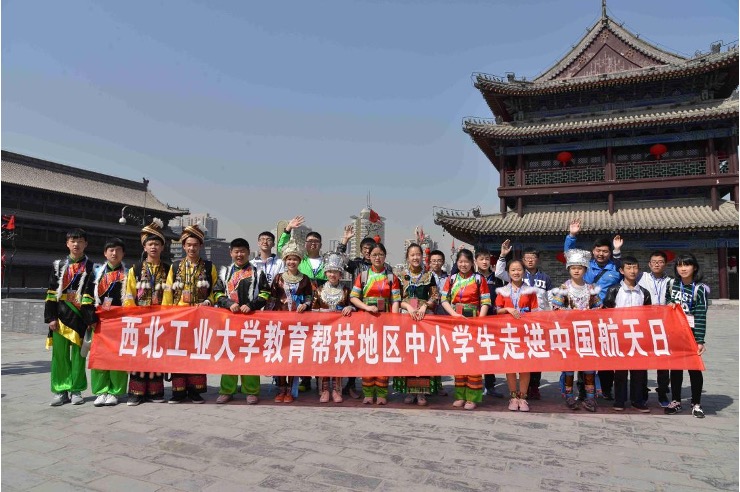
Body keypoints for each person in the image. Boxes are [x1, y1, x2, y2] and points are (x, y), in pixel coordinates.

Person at [564, 218, 623, 401]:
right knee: (584, 353)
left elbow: (627, 273)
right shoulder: (586, 266)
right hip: (584, 317)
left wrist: (617, 251)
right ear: (593, 251)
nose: (601, 254)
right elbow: (569, 255)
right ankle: (582, 389)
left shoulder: (616, 268)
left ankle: (606, 388)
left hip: (607, 316)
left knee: (606, 353)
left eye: (605, 251)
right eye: (598, 250)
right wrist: (572, 235)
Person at [163, 225, 218, 404]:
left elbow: (215, 290)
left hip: (200, 317)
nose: (192, 248)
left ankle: (195, 391)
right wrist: (167, 314)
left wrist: (208, 302)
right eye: (189, 245)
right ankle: (178, 391)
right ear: (184, 246)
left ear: (200, 246)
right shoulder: (175, 266)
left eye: (195, 245)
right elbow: (168, 291)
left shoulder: (209, 267)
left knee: (196, 353)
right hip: (179, 317)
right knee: (178, 353)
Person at [213, 238, 270, 405]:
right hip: (229, 321)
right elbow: (217, 294)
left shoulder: (257, 273)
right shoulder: (224, 273)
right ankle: (226, 390)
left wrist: (251, 306)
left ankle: (251, 391)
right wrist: (229, 304)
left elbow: (266, 293)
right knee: (229, 354)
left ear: (248, 252)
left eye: (242, 251)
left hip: (250, 321)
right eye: (236, 251)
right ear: (231, 253)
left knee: (249, 355)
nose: (239, 254)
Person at [44, 228, 97, 406]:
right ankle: (60, 390)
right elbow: (51, 292)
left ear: (86, 244)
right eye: (73, 241)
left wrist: (90, 319)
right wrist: (50, 317)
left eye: (80, 241)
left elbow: (90, 294)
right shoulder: (58, 265)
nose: (76, 244)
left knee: (78, 356)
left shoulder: (91, 267)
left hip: (80, 316)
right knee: (59, 357)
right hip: (59, 315)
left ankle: (76, 390)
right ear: (67, 243)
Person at [496, 240, 553, 400]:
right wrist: (502, 256)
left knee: (534, 358)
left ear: (537, 259)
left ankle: (532, 388)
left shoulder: (545, 278)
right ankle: (515, 393)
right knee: (513, 361)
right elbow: (500, 273)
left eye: (533, 257)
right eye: (527, 257)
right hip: (511, 328)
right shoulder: (515, 278)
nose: (530, 260)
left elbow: (549, 299)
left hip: (535, 323)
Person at [278, 216, 326, 392]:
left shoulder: (326, 262)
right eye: (310, 241)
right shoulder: (300, 261)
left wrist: (343, 241)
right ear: (305, 244)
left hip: (322, 307)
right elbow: (281, 249)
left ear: (321, 245)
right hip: (302, 309)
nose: (313, 244)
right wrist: (287, 230)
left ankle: (322, 379)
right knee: (303, 343)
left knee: (320, 343)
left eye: (316, 241)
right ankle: (304, 379)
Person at [550, 248, 602, 412]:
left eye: (580, 267)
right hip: (570, 333)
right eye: (573, 267)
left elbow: (599, 308)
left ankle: (590, 397)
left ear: (585, 269)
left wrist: (590, 314)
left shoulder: (591, 288)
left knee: (588, 367)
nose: (577, 270)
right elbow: (556, 308)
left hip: (587, 333)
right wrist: (570, 313)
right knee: (569, 366)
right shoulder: (564, 287)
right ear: (569, 270)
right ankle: (569, 395)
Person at [123, 219, 169, 406]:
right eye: (150, 244)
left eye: (157, 244)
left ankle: (156, 392)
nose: (154, 247)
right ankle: (136, 392)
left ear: (162, 247)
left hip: (160, 319)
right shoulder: (135, 269)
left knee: (157, 353)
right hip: (140, 319)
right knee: (139, 354)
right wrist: (133, 314)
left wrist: (166, 314)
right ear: (144, 246)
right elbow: (129, 293)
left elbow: (170, 292)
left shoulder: (168, 269)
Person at [440, 249, 491, 410]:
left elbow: (485, 301)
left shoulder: (478, 279)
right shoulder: (451, 279)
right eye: (460, 262)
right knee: (459, 360)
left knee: (473, 361)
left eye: (466, 262)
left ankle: (473, 397)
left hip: (473, 323)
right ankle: (460, 395)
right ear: (457, 263)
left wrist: (480, 321)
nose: (463, 265)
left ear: (472, 263)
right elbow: (444, 299)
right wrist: (454, 315)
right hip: (456, 323)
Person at [350, 242, 401, 405]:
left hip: (385, 321)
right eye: (374, 255)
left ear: (385, 256)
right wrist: (366, 307)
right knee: (367, 356)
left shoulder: (392, 277)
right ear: (369, 257)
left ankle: (381, 393)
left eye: (380, 254)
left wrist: (393, 320)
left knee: (383, 357)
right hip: (366, 320)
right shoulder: (363, 276)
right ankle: (367, 392)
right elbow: (353, 297)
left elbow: (395, 300)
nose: (377, 258)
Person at [602, 256, 652, 413]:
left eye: (635, 267)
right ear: (621, 271)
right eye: (629, 268)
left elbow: (649, 314)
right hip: (620, 336)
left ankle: (638, 401)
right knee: (620, 371)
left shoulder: (644, 292)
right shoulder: (614, 290)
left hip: (638, 337)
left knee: (639, 371)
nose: (632, 271)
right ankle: (619, 400)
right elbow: (606, 312)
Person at [394, 243, 441, 406]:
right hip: (407, 317)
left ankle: (422, 392)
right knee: (408, 354)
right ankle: (409, 390)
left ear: (422, 256)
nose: (415, 257)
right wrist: (407, 306)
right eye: (412, 255)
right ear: (407, 257)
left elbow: (435, 296)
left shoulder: (429, 275)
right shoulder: (399, 275)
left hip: (424, 317)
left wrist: (424, 306)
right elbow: (396, 299)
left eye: (418, 254)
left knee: (423, 354)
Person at [663, 253, 708, 418]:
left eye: (687, 265)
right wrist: (669, 304)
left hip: (691, 334)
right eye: (680, 265)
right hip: (675, 333)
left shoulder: (699, 289)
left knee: (694, 369)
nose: (683, 268)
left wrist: (700, 340)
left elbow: (701, 315)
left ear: (694, 267)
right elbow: (667, 300)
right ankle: (675, 401)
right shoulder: (672, 284)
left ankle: (696, 403)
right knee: (675, 369)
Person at [269, 238, 313, 403]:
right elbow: (272, 299)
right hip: (280, 324)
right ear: (285, 260)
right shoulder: (278, 278)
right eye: (289, 259)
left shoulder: (305, 279)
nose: (291, 261)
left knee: (293, 357)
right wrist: (268, 317)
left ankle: (291, 388)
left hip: (298, 324)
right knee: (281, 356)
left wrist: (305, 304)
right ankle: (281, 389)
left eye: (294, 259)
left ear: (299, 261)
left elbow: (310, 297)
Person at [335, 226, 376, 398]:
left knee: (373, 347)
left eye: (370, 249)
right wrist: (345, 241)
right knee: (354, 348)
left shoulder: (385, 268)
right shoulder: (356, 265)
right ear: (361, 250)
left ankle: (374, 384)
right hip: (356, 309)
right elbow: (339, 260)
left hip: (376, 312)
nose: (367, 251)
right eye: (365, 249)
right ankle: (350, 385)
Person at [494, 259, 539, 412]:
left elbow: (535, 311)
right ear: (508, 273)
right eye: (513, 270)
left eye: (519, 269)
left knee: (525, 366)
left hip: (525, 332)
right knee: (511, 365)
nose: (516, 272)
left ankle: (523, 397)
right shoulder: (502, 291)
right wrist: (507, 309)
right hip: (508, 332)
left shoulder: (530, 291)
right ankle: (513, 397)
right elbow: (497, 309)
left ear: (524, 272)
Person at [312, 251, 354, 404]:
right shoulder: (319, 290)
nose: (332, 274)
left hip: (340, 332)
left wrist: (350, 308)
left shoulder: (346, 290)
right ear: (326, 272)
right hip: (323, 331)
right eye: (329, 271)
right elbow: (313, 310)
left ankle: (337, 389)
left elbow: (353, 305)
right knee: (323, 359)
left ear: (340, 273)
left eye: (335, 272)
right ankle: (324, 390)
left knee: (337, 359)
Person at [90, 238, 128, 407]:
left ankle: (115, 391)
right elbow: (87, 296)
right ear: (105, 253)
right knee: (100, 356)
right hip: (100, 320)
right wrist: (90, 318)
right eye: (111, 250)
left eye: (118, 250)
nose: (114, 253)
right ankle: (101, 391)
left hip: (120, 321)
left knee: (118, 356)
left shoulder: (128, 274)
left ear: (123, 253)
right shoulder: (96, 273)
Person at [638, 250, 672, 407]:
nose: (657, 264)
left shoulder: (671, 282)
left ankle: (663, 392)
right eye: (654, 261)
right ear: (649, 264)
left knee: (663, 361)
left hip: (664, 326)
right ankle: (643, 391)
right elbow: (622, 268)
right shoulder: (641, 277)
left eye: (660, 261)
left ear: (665, 264)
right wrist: (616, 251)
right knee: (643, 360)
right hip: (645, 326)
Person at [475, 249, 505, 399]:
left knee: (489, 353)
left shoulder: (497, 278)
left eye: (487, 259)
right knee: (475, 352)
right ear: (476, 261)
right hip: (476, 319)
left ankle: (490, 385)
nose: (485, 262)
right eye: (481, 259)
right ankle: (476, 384)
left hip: (493, 319)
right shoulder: (473, 277)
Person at [428, 250, 449, 315]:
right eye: (434, 261)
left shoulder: (449, 279)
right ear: (430, 262)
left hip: (445, 313)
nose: (436, 263)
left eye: (439, 261)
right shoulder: (425, 278)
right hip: (429, 313)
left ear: (443, 262)